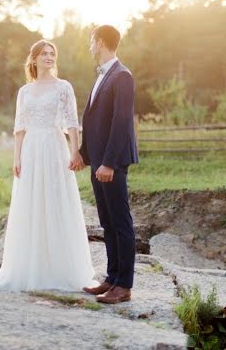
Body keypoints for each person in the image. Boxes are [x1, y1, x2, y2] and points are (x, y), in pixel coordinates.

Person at [0, 39, 97, 292]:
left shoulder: (63, 87)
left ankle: (62, 268)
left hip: (54, 147)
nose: (48, 57)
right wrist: (16, 158)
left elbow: (71, 123)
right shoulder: (24, 92)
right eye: (44, 54)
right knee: (31, 203)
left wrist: (75, 152)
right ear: (33, 59)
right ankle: (29, 267)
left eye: (52, 53)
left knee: (56, 200)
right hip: (31, 148)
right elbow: (19, 129)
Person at [79, 25, 139, 304]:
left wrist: (109, 163)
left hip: (111, 163)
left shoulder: (122, 76)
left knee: (121, 222)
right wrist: (83, 153)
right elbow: (94, 120)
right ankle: (112, 278)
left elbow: (121, 122)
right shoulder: (103, 76)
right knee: (107, 222)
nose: (90, 46)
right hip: (98, 161)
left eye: (92, 41)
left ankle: (124, 286)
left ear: (100, 42)